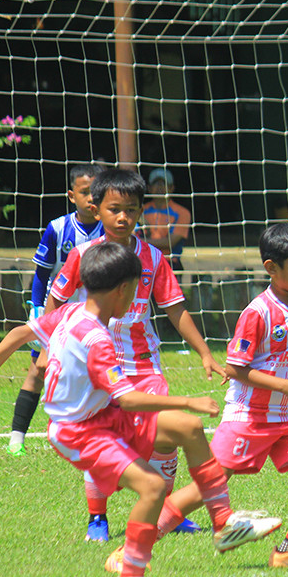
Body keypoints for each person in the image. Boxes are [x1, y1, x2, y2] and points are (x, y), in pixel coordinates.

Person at [0, 241, 281, 577]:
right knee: (153, 487)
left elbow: (18, 334)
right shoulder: (96, 339)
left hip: (103, 417)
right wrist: (187, 399)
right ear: (124, 290)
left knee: (187, 429)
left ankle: (224, 524)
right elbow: (128, 399)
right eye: (137, 290)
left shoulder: (70, 313)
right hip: (78, 432)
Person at [127, 222, 288, 573]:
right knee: (206, 486)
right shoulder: (258, 312)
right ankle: (132, 551)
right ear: (271, 268)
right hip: (249, 415)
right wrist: (285, 385)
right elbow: (235, 368)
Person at [45, 168, 225, 542]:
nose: (123, 217)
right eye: (114, 209)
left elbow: (175, 308)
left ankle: (164, 513)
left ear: (142, 210)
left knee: (170, 435)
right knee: (101, 439)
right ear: (97, 210)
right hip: (97, 366)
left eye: (130, 209)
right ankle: (98, 517)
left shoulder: (154, 258)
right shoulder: (82, 255)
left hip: (144, 364)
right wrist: (50, 348)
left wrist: (205, 352)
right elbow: (57, 302)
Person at [7, 163, 105, 457]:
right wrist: (38, 309)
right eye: (85, 192)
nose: (91, 198)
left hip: (97, 312)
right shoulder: (58, 228)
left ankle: (93, 434)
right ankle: (16, 437)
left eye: (96, 192)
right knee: (39, 369)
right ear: (71, 195)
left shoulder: (111, 228)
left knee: (98, 371)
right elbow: (41, 273)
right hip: (59, 307)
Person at [138, 167, 191, 271]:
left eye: (163, 183)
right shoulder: (140, 210)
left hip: (170, 262)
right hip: (144, 260)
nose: (160, 187)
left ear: (171, 188)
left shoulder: (182, 213)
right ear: (149, 188)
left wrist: (140, 241)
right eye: (156, 183)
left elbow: (170, 243)